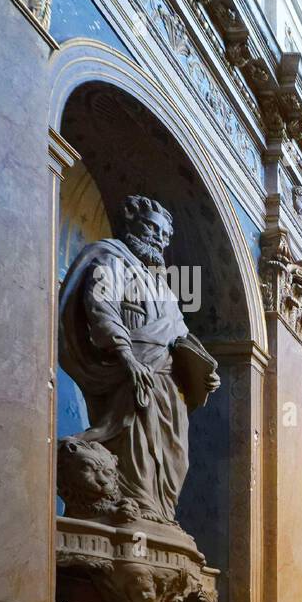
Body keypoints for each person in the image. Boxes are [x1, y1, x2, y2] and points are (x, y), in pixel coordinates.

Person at [58, 195, 220, 524]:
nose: (158, 239)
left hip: (168, 381)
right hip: (134, 371)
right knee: (134, 444)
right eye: (152, 228)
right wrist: (126, 357)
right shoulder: (111, 258)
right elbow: (101, 309)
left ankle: (161, 513)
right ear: (133, 224)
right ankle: (139, 510)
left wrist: (204, 371)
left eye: (164, 235)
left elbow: (179, 332)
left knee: (177, 457)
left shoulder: (163, 286)